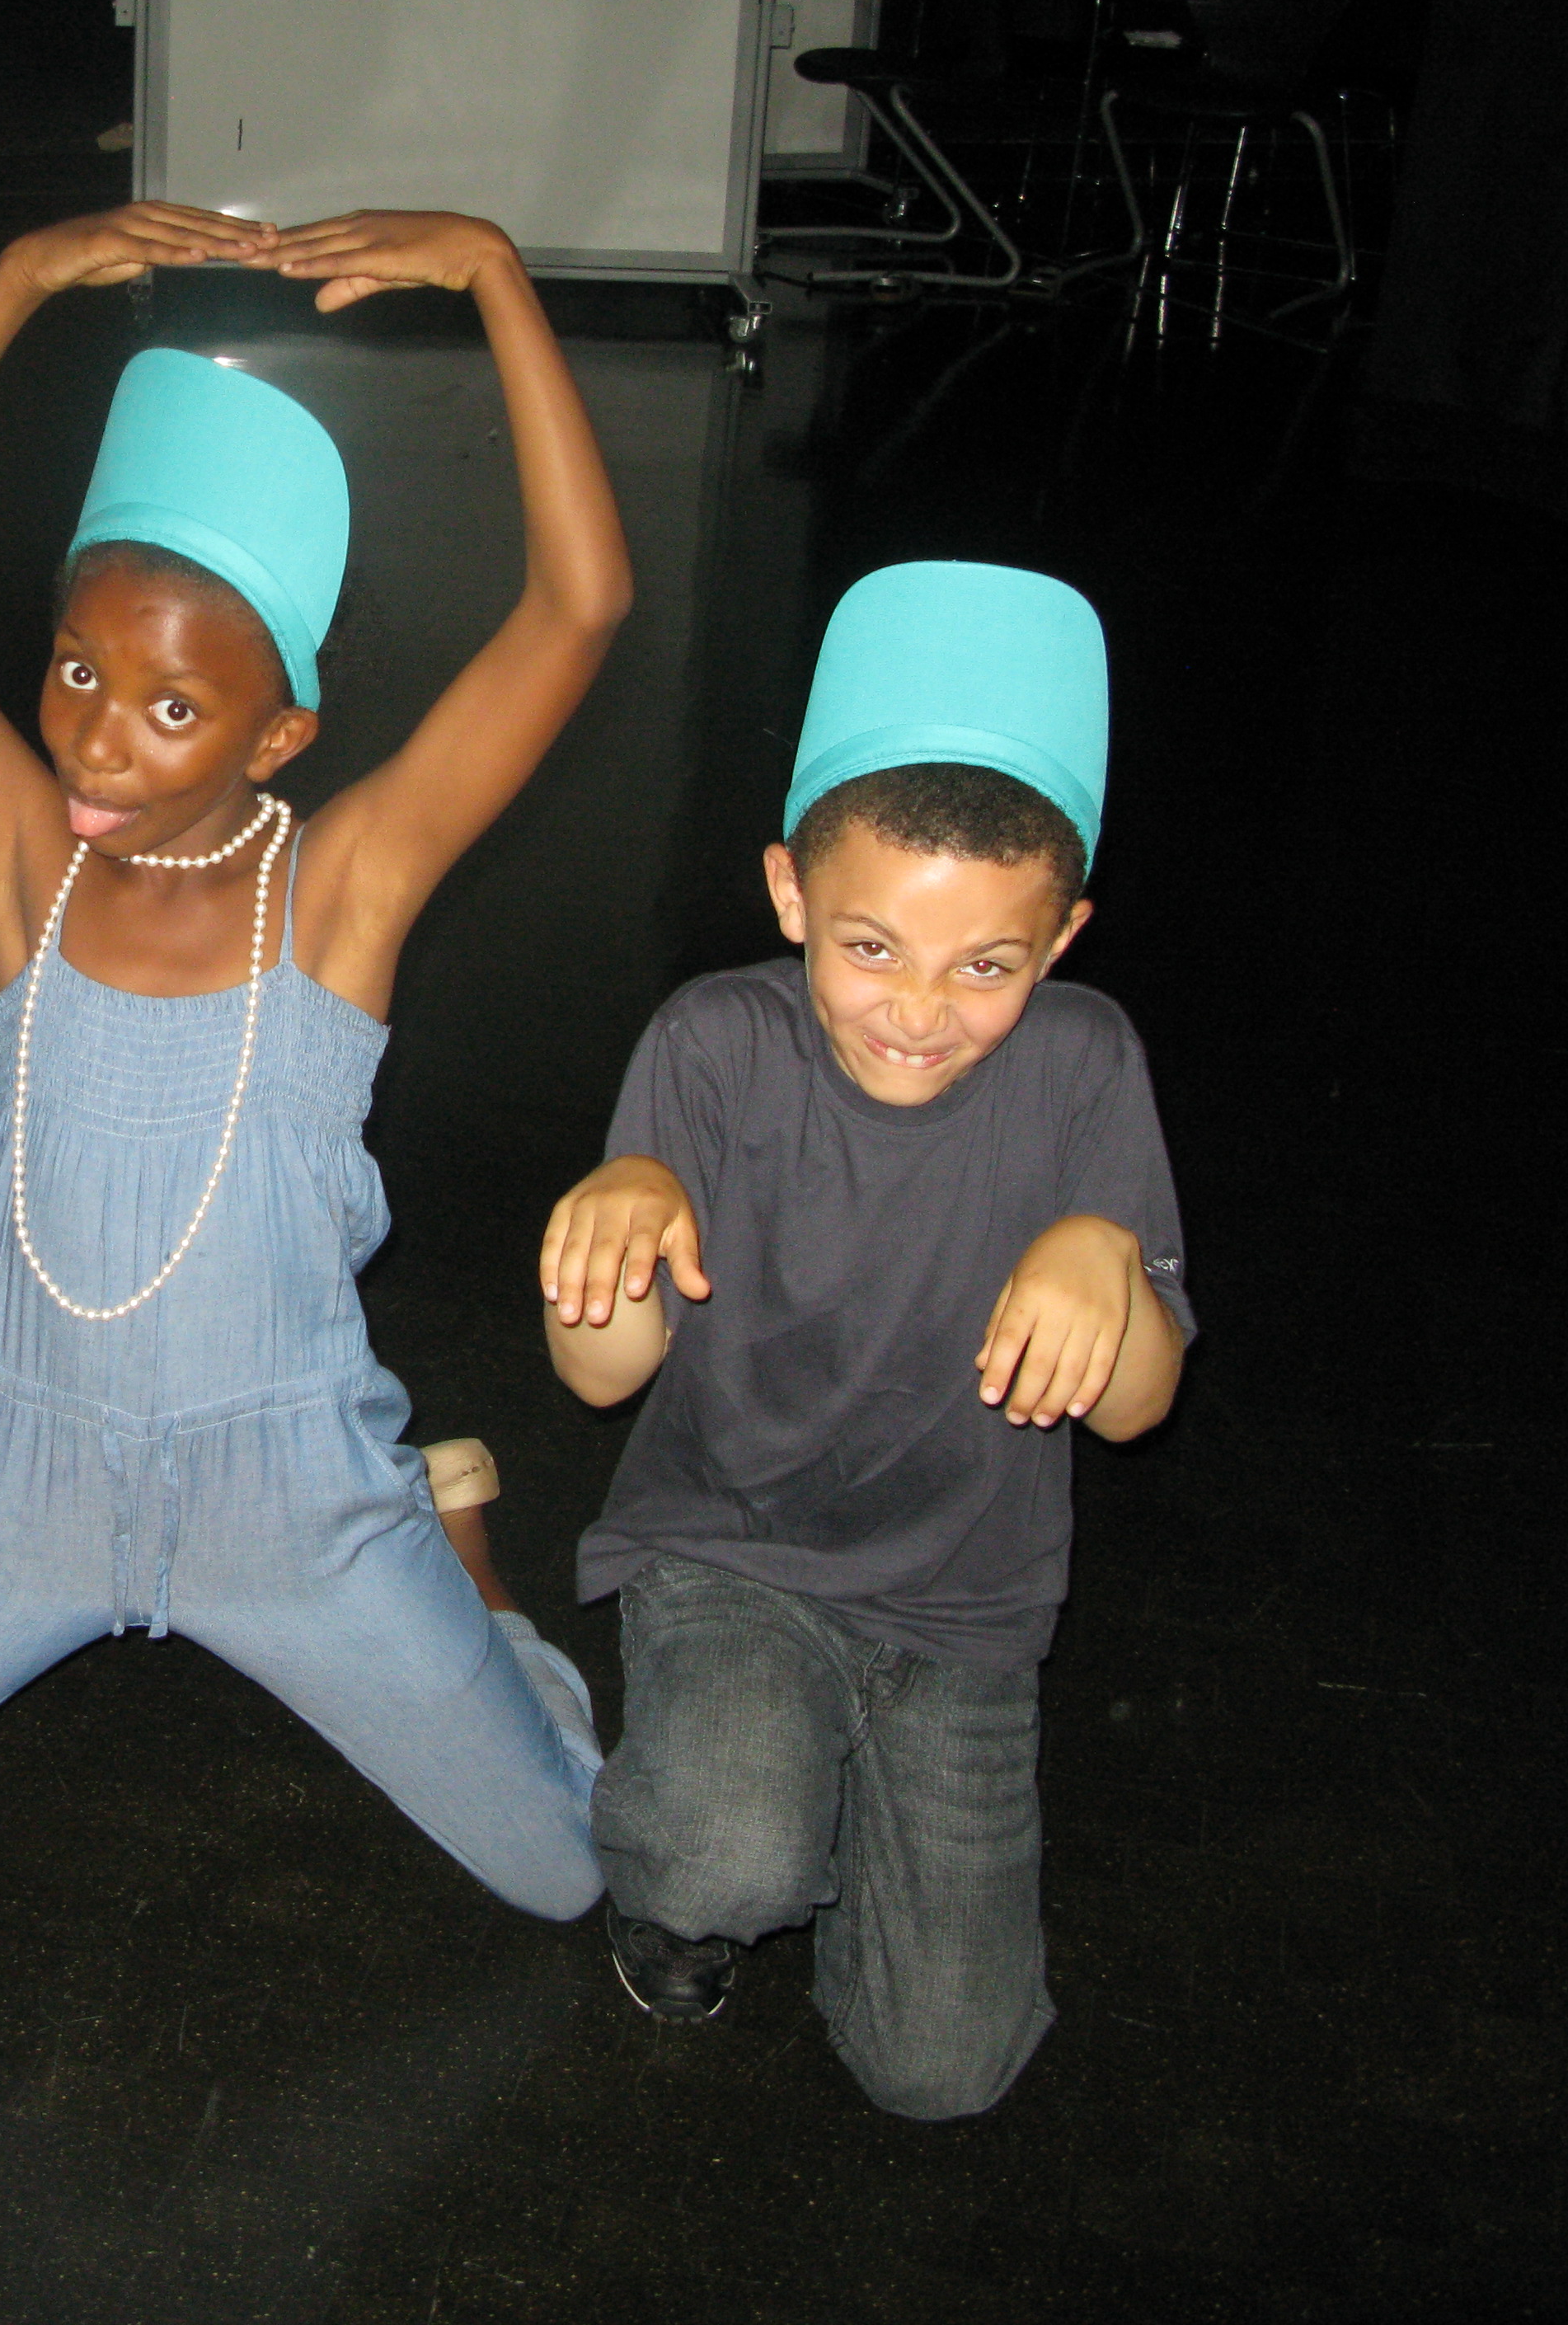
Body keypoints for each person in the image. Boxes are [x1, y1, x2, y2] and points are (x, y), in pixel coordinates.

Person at [0, 204, 631, 1917]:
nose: (94, 738)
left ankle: (465, 1570)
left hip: (289, 1493)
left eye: (173, 707)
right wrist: (13, 277)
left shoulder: (341, 891)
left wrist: (499, 276)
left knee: (571, 1873)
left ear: (281, 736)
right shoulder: (25, 864)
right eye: (77, 669)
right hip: (15, 1471)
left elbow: (574, 612)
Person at [539, 562, 1192, 2114]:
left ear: (1063, 938)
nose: (919, 1009)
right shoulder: (715, 1045)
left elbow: (1136, 1411)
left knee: (943, 2072)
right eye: (871, 946)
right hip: (734, 1558)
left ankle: (808, 1807)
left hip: (964, 1613)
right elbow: (603, 1378)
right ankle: (686, 1866)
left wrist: (1108, 1259)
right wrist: (616, 1218)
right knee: (727, 1855)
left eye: (988, 966)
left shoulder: (1086, 1070)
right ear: (789, 898)